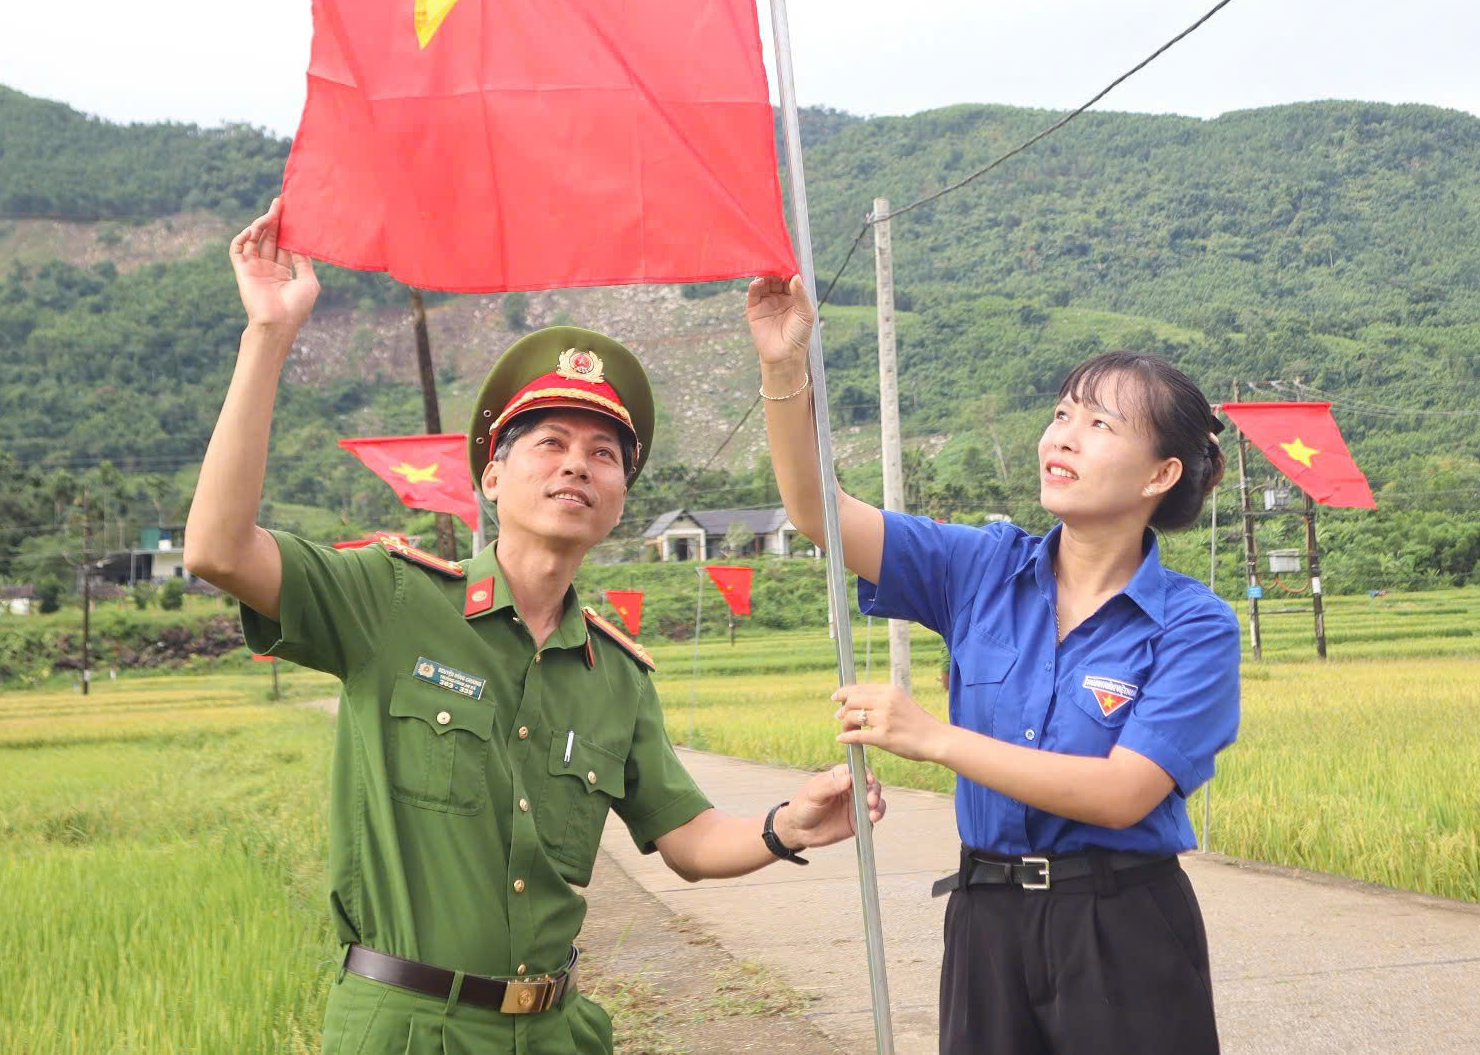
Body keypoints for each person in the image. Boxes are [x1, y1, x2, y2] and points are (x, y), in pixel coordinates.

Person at [187, 204, 885, 1055]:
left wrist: (788, 825)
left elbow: (688, 839)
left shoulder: (615, 673)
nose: (575, 465)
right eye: (549, 441)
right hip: (407, 1030)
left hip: (557, 1031)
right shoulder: (392, 601)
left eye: (603, 453)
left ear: (622, 493)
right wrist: (267, 333)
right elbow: (219, 549)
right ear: (492, 473)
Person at [748, 273, 1241, 1054]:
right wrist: (783, 367)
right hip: (985, 920)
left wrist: (935, 737)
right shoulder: (979, 566)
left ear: (1160, 473)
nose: (1063, 437)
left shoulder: (1194, 625)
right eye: (1060, 415)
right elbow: (819, 513)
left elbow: (1120, 793)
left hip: (1122, 928)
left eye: (1100, 424)